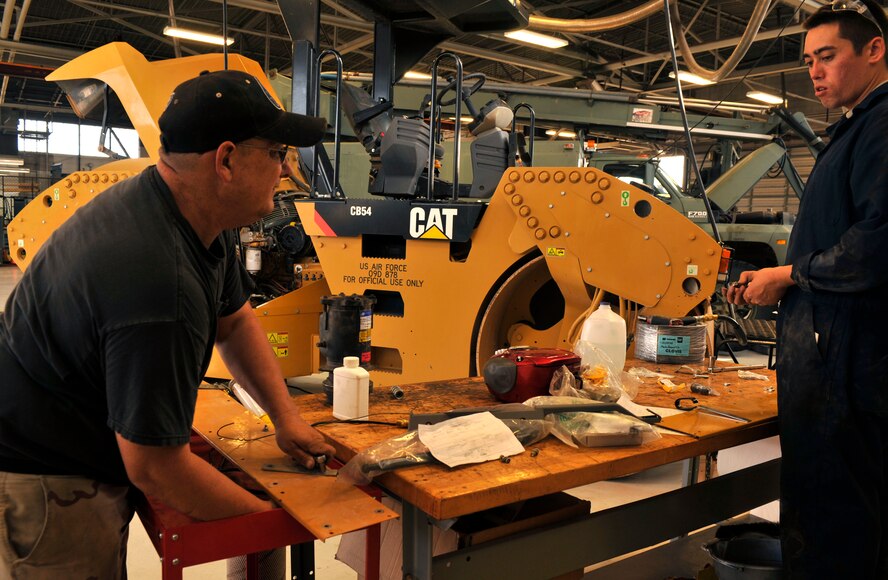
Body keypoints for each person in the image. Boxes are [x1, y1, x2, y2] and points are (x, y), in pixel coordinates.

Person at [0, 69, 336, 578]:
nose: (286, 170)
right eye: (275, 153)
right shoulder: (157, 278)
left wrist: (286, 418)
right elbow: (156, 467)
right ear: (225, 160)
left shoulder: (198, 215)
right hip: (46, 473)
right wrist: (271, 518)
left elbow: (236, 321)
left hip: (81, 434)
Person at [725, 0, 888, 576]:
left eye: (828, 56)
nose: (814, 72)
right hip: (828, 364)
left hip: (849, 371)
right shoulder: (851, 130)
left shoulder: (882, 126)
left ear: (874, 51)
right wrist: (778, 281)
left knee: (839, 521)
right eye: (808, 60)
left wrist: (788, 274)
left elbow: (878, 243)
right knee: (821, 512)